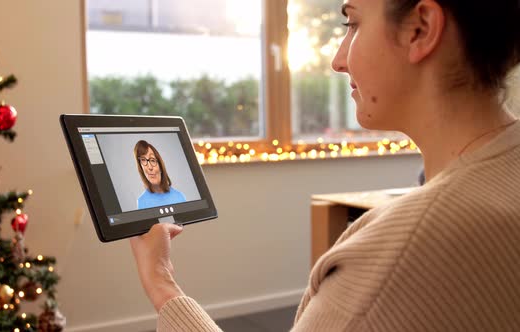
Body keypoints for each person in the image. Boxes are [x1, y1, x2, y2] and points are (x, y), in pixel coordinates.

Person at [130, 0, 520, 330]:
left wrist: (161, 283)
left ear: (420, 29)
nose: (337, 60)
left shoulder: (406, 249)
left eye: (353, 24)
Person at [134, 140, 186, 209]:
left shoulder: (179, 197)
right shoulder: (141, 202)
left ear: (161, 167)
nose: (149, 167)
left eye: (152, 160)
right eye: (143, 160)